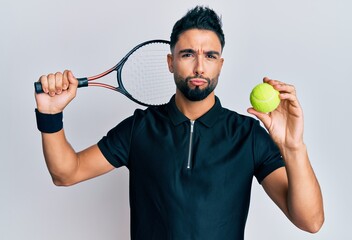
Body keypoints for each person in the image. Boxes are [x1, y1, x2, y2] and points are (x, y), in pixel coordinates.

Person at [34, 6, 324, 240]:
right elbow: (66, 173)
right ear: (171, 62)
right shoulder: (139, 129)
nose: (199, 66)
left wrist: (293, 147)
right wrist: (50, 115)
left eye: (210, 56)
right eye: (188, 54)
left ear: (220, 64)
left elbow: (310, 221)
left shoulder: (247, 136)